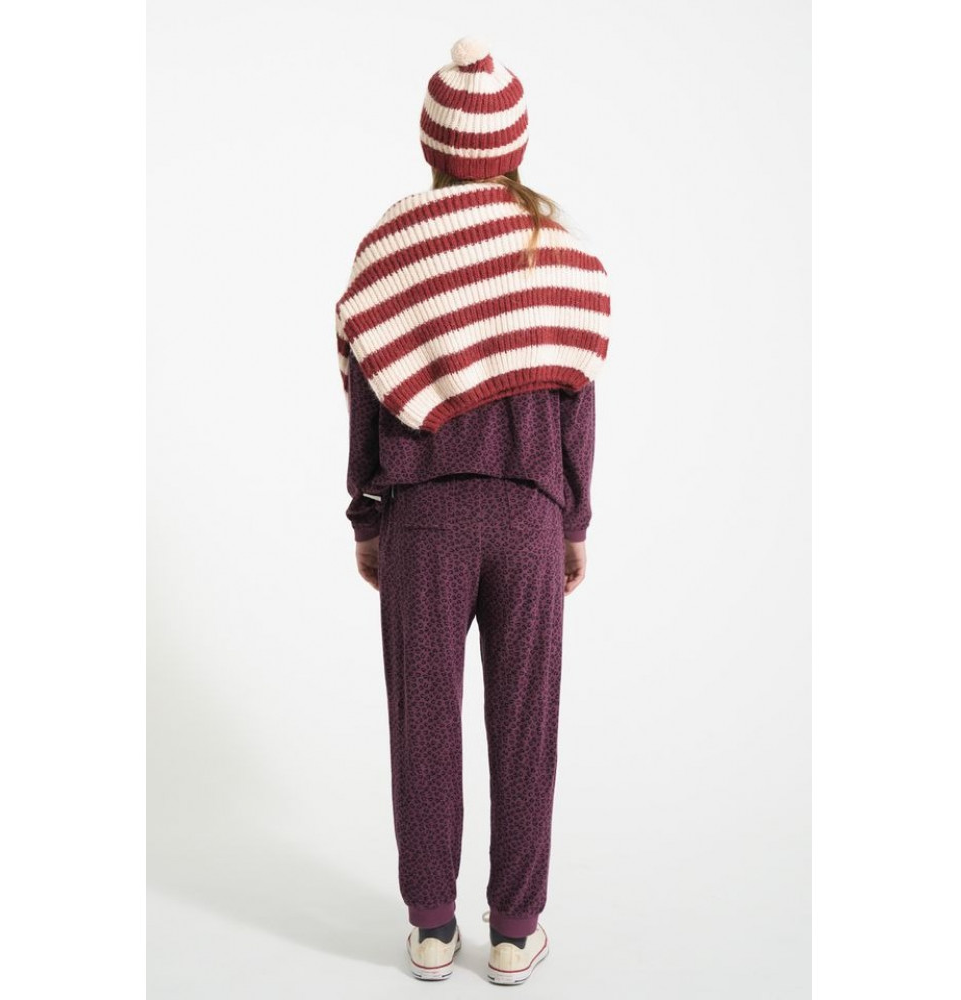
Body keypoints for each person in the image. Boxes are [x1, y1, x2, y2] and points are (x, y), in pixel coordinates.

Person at [334, 35, 610, 985]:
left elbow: (365, 391)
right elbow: (578, 400)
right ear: (514, 142)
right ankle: (516, 930)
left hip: (424, 520)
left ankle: (430, 926)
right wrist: (572, 521)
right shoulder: (558, 251)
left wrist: (367, 516)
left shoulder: (389, 248)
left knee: (424, 721)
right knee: (526, 724)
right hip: (529, 517)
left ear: (432, 144)